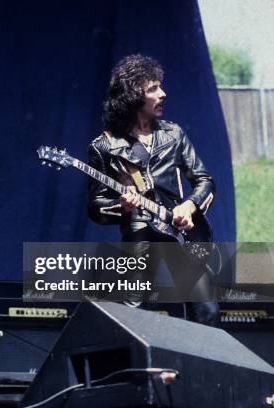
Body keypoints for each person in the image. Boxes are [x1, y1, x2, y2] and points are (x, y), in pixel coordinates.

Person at [88, 54, 218, 325]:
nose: (163, 93)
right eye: (153, 89)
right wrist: (120, 207)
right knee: (131, 314)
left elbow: (205, 180)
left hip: (180, 233)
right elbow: (96, 205)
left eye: (161, 86)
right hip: (140, 234)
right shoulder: (105, 146)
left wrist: (189, 206)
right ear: (133, 96)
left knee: (207, 311)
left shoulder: (173, 134)